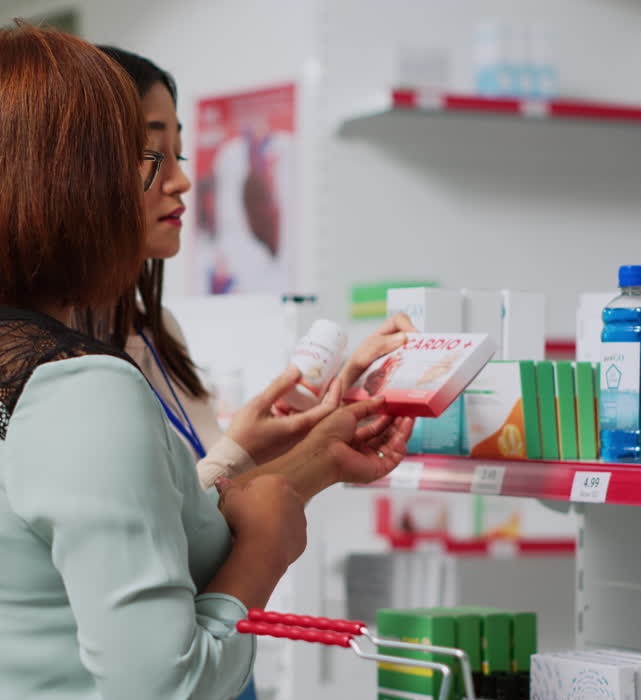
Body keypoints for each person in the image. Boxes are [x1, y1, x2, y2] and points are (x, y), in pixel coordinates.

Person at [0, 22, 410, 700]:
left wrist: (303, 462)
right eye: (140, 159)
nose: (164, 180)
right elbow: (166, 694)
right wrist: (265, 551)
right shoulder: (80, 384)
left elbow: (73, 553)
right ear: (67, 184)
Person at [98, 45, 417, 500]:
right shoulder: (59, 359)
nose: (182, 181)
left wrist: (337, 396)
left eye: (179, 157)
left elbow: (216, 507)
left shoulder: (158, 331)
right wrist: (251, 450)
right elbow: (173, 525)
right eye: (152, 156)